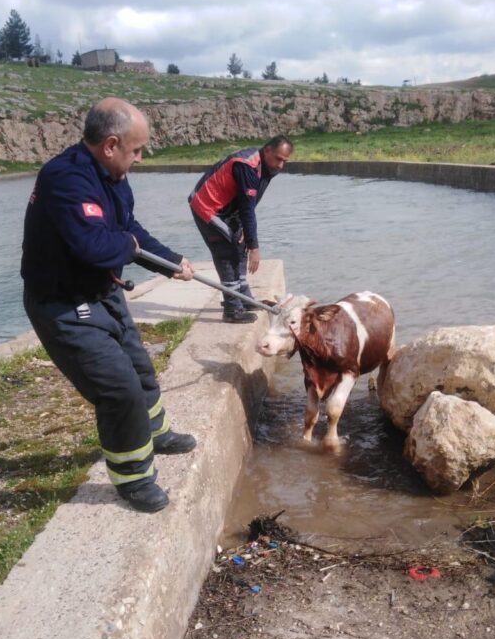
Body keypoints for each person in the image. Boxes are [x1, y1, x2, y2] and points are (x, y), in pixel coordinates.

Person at [21, 97, 197, 514]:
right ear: (111, 144)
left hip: (102, 293)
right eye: (137, 150)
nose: (139, 158)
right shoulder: (65, 179)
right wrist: (131, 247)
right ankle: (133, 477)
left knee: (140, 368)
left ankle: (156, 433)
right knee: (119, 390)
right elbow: (96, 247)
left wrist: (170, 262)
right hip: (63, 305)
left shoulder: (113, 178)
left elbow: (127, 230)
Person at [189, 135, 293, 323]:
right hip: (208, 207)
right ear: (267, 150)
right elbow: (247, 208)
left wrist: (247, 235)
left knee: (240, 244)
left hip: (228, 209)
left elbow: (249, 203)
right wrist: (255, 248)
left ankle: (244, 299)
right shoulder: (247, 165)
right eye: (278, 159)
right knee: (226, 252)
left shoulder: (268, 167)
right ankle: (232, 309)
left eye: (285, 161)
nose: (280, 165)